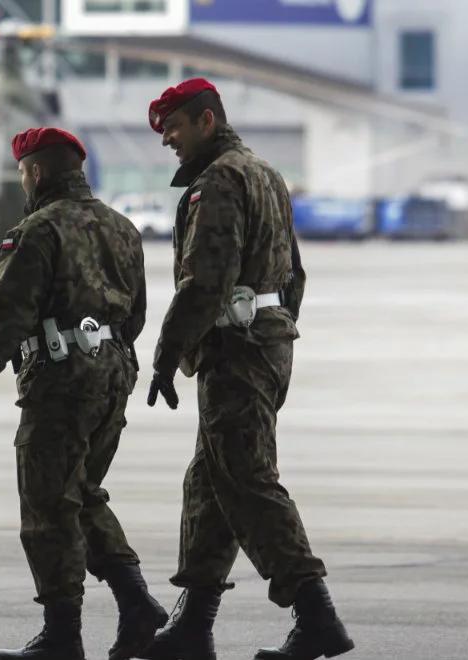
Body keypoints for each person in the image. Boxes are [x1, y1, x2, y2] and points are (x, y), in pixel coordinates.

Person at [139, 79, 355, 660]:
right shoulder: (264, 173)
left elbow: (206, 279)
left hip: (237, 348)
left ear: (206, 121)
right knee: (211, 481)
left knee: (248, 480)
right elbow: (294, 274)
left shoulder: (220, 182)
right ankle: (193, 622)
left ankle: (316, 615)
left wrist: (166, 354)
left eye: (176, 128)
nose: (170, 141)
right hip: (264, 340)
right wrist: (277, 330)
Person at [0, 127, 166, 660]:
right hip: (115, 374)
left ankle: (62, 636)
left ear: (37, 171)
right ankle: (136, 601)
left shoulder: (37, 230)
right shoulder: (123, 228)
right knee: (82, 492)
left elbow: (4, 320)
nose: (22, 180)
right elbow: (136, 315)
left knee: (48, 504)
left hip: (62, 380)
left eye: (22, 171)